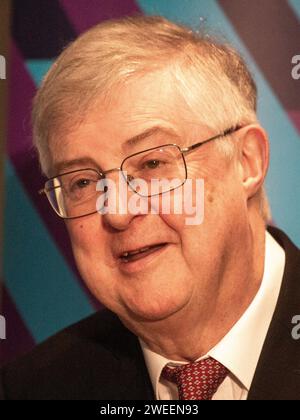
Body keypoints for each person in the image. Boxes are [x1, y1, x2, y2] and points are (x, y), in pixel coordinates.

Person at [1, 15, 299, 401]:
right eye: (83, 182)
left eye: (152, 164)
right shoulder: (31, 389)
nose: (119, 212)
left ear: (247, 161)